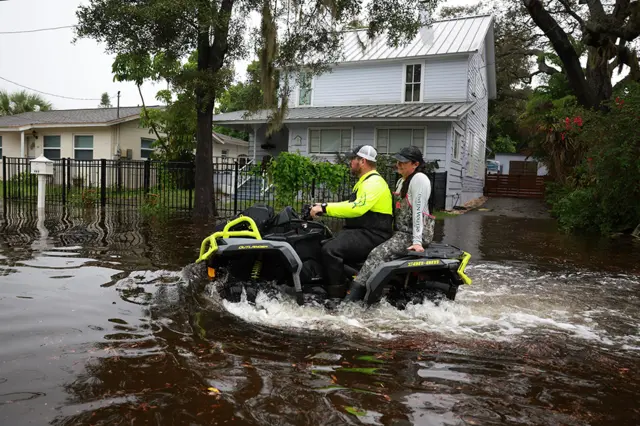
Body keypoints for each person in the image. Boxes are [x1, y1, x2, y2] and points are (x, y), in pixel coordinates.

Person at [343, 145, 436, 302]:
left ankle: (351, 301)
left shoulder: (419, 179)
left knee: (377, 254)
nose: (398, 164)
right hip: (401, 233)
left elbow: (418, 210)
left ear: (415, 164)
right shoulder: (402, 181)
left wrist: (417, 241)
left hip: (413, 235)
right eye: (398, 161)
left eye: (403, 162)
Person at [309, 145, 393, 287]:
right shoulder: (365, 181)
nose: (350, 162)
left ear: (363, 161)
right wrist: (323, 205)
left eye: (353, 159)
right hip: (362, 231)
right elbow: (350, 204)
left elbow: (357, 208)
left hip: (373, 234)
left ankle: (336, 296)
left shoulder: (374, 183)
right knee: (321, 241)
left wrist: (325, 208)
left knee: (330, 250)